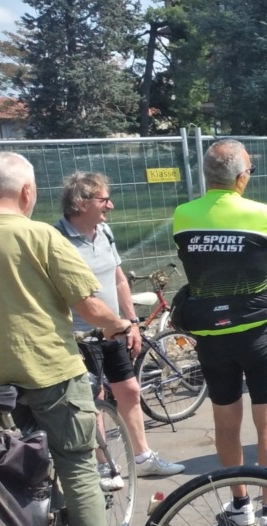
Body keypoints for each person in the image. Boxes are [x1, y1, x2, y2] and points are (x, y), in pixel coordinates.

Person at [0, 152, 141, 526]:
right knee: (78, 466)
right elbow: (89, 305)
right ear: (26, 192)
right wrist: (120, 325)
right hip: (51, 371)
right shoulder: (40, 236)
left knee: (7, 476)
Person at [172, 139, 267, 526]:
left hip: (211, 334)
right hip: (257, 329)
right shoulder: (262, 215)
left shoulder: (183, 215)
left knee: (225, 421)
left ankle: (240, 504)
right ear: (241, 177)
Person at [55, 172, 184, 478]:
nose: (110, 205)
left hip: (116, 330)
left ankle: (143, 458)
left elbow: (118, 278)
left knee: (129, 389)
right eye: (103, 199)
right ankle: (104, 466)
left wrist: (133, 323)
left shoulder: (104, 231)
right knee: (95, 399)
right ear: (81, 202)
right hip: (82, 335)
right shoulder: (57, 240)